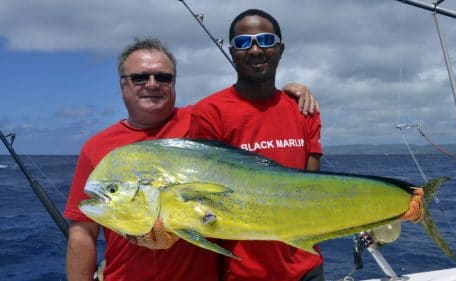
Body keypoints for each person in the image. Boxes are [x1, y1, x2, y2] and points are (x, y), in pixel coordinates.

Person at [64, 37, 320, 281]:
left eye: (163, 77)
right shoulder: (96, 147)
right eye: (139, 77)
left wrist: (287, 92)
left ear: (174, 83)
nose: (152, 84)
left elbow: (253, 112)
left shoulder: (203, 120)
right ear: (123, 83)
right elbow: (83, 232)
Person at [189, 9, 324, 281]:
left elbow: (312, 191)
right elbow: (203, 195)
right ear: (232, 52)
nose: (254, 49)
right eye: (242, 42)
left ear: (280, 49)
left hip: (306, 267)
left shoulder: (304, 109)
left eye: (265, 40)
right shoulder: (209, 112)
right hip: (243, 272)